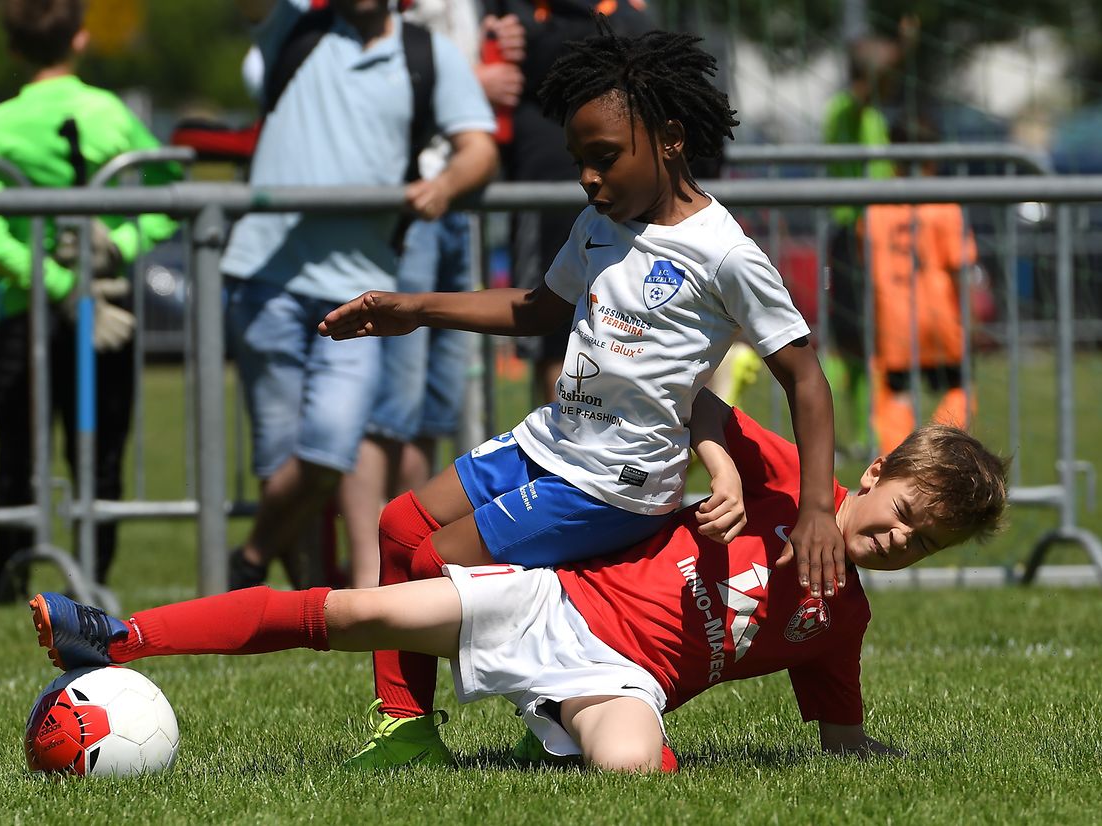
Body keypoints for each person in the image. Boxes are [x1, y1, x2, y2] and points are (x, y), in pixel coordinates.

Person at [319, 21, 845, 764]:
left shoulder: (726, 254)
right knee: (400, 526)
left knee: (440, 560)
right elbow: (536, 308)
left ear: (668, 138)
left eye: (604, 160)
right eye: (579, 164)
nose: (590, 180)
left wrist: (819, 508)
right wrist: (414, 308)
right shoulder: (599, 225)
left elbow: (806, 377)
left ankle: (547, 712)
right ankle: (408, 727)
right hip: (554, 442)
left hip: (613, 482)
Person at [28, 395, 1009, 773]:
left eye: (922, 545)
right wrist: (716, 465)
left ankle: (558, 736)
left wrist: (875, 755)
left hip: (619, 677)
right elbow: (697, 392)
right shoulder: (787, 475)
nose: (897, 540)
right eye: (905, 514)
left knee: (631, 766)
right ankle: (120, 637)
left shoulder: (841, 618)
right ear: (875, 473)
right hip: (556, 598)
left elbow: (839, 734)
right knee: (367, 607)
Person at [222, 0, 498, 591]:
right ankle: (301, 598)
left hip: (358, 294)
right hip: (264, 276)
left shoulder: (427, 53)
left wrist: (445, 185)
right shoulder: (290, 28)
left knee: (327, 451)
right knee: (277, 462)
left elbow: (479, 146)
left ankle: (249, 559)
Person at [0, 0, 181, 603]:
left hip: (23, 310)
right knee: (101, 451)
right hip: (103, 310)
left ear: (13, 49)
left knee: (18, 454)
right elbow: (172, 194)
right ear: (81, 40)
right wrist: (121, 244)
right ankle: (93, 579)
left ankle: (9, 582)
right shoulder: (109, 111)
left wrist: (55, 285)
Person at [336, 0, 522, 590]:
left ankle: (400, 566)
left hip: (453, 195)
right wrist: (478, 81)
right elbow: (370, 65)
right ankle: (369, 575)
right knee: (389, 404)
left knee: (429, 407)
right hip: (408, 197)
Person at [489, 0, 656, 406]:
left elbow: (632, 48)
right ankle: (558, 449)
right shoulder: (515, 14)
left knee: (631, 325)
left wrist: (536, 37)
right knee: (551, 329)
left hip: (619, 204)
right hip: (542, 186)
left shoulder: (625, 17)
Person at [821, 22, 916, 455]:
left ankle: (871, 434)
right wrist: (898, 47)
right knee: (851, 344)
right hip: (852, 239)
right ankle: (842, 434)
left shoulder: (875, 111)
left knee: (877, 343)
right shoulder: (849, 108)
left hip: (880, 238)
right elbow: (870, 82)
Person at [862, 124, 978, 453]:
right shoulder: (943, 204)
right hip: (940, 314)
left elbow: (865, 262)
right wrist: (970, 317)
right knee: (959, 385)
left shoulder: (875, 204)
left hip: (894, 317)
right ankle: (942, 451)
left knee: (896, 394)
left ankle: (898, 463)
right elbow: (960, 266)